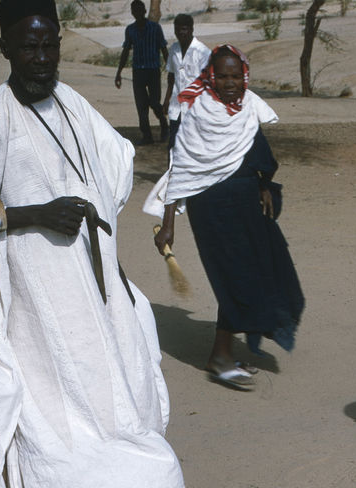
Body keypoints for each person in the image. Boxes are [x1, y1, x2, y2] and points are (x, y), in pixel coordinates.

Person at [0, 0, 188, 488]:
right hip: (36, 303)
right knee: (56, 412)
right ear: (4, 47)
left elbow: (112, 169)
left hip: (95, 291)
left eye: (50, 43)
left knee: (113, 390)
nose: (42, 57)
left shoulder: (74, 104)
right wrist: (33, 215)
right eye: (28, 46)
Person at [146, 44, 305, 390]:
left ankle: (225, 353)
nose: (230, 82)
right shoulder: (196, 112)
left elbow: (258, 152)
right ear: (211, 76)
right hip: (213, 209)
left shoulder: (249, 107)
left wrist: (264, 185)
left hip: (249, 205)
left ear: (244, 75)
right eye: (223, 75)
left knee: (264, 270)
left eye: (236, 75)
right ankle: (219, 357)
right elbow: (181, 168)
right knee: (234, 277)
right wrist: (169, 223)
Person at [114, 0, 169, 145]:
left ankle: (164, 125)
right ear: (132, 13)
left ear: (144, 11)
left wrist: (170, 68)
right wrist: (118, 72)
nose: (137, 13)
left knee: (154, 102)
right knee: (141, 105)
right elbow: (126, 51)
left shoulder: (155, 28)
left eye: (140, 10)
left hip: (153, 70)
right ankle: (147, 135)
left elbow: (163, 48)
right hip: (138, 72)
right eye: (134, 11)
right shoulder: (130, 30)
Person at [162, 13, 210, 148]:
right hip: (176, 106)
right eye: (177, 29)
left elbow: (208, 82)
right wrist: (167, 99)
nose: (180, 33)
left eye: (184, 29)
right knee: (174, 145)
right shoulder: (174, 49)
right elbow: (171, 76)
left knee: (194, 145)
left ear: (191, 29)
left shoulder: (202, 52)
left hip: (195, 107)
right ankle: (172, 169)